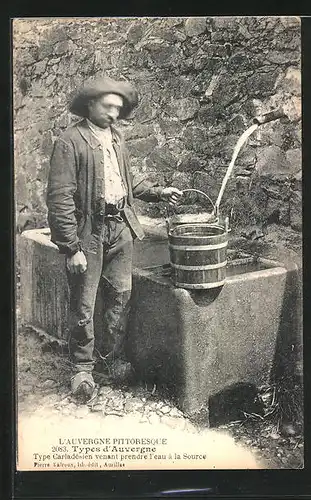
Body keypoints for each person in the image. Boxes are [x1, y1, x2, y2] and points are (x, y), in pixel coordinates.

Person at [46, 77, 182, 401]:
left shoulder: (116, 138)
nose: (114, 113)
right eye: (108, 107)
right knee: (83, 303)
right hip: (88, 233)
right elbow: (60, 198)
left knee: (121, 297)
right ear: (90, 105)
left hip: (120, 228)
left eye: (118, 108)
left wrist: (160, 192)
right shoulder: (70, 141)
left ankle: (111, 362)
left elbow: (127, 181)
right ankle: (82, 370)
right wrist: (71, 247)